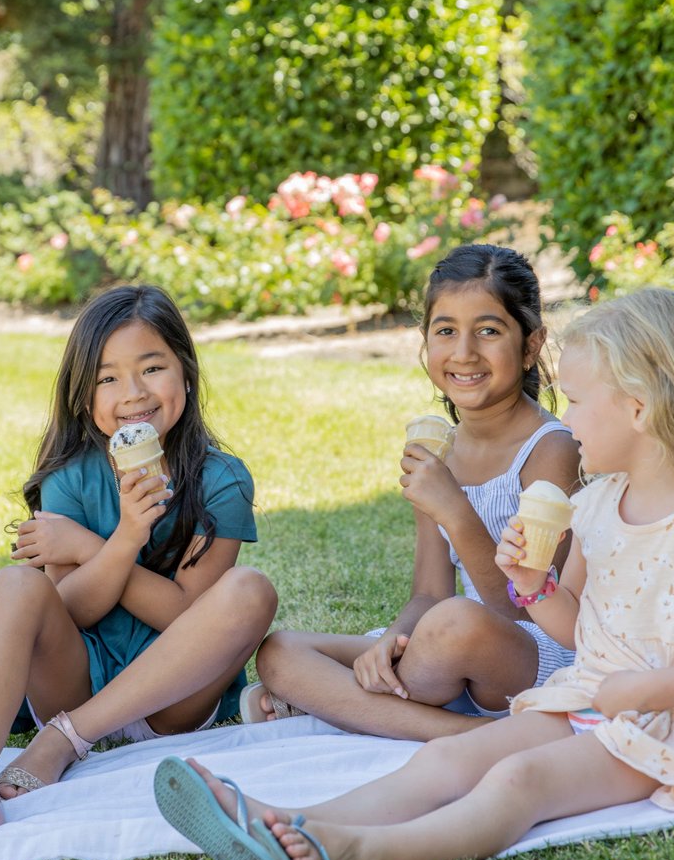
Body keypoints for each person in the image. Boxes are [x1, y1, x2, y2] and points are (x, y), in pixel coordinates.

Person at [155, 288, 674, 860]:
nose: (570, 420)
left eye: (579, 402)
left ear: (639, 409)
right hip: (591, 699)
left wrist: (646, 692)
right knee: (453, 757)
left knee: (518, 781)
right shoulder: (598, 505)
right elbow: (578, 632)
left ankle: (366, 851)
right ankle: (283, 823)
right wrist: (535, 590)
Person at [0, 284, 277, 838]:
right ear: (84, 397)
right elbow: (68, 611)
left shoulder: (221, 480)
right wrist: (127, 537)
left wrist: (93, 545)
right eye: (108, 378)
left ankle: (65, 741)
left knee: (251, 591)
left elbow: (188, 617)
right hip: (74, 683)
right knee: (15, 586)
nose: (132, 393)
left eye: (152, 368)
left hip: (173, 702)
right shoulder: (70, 480)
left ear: (186, 374)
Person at [243, 244, 581, 738]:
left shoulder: (551, 449)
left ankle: (348, 704)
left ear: (531, 345)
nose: (464, 352)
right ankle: (454, 732)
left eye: (488, 331)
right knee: (280, 651)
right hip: (442, 640)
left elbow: (528, 605)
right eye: (445, 331)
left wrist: (455, 510)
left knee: (456, 623)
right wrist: (397, 638)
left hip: (528, 650)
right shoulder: (438, 452)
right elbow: (428, 591)